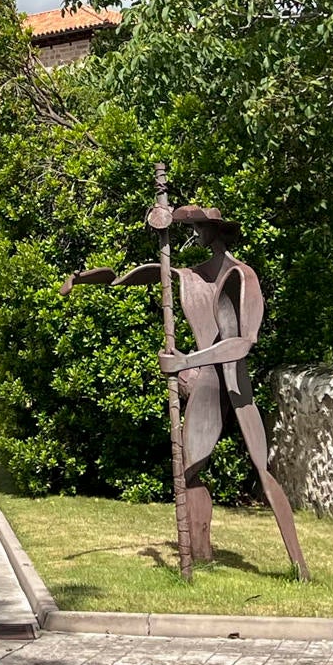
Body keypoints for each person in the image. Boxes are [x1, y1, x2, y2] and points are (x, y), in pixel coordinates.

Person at [66, 206, 309, 580]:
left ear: (216, 230)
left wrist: (184, 362)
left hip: (233, 384)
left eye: (198, 227)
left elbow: (242, 344)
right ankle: (200, 554)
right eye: (191, 227)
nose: (194, 234)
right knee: (188, 471)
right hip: (205, 385)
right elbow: (144, 275)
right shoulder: (191, 276)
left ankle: (299, 566)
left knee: (262, 469)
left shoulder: (241, 276)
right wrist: (89, 279)